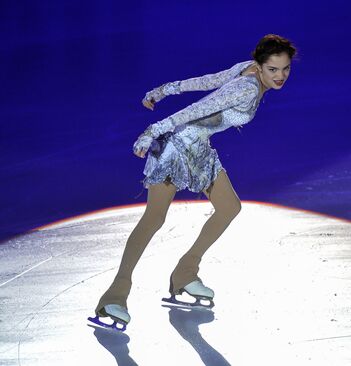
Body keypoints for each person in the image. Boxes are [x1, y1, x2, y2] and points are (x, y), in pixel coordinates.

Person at [89, 34, 298, 330]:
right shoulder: (247, 87)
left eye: (285, 69)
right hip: (176, 147)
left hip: (197, 147)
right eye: (273, 69)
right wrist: (153, 130)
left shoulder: (246, 68)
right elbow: (198, 108)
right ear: (260, 66)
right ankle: (115, 295)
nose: (280, 76)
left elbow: (207, 80)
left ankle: (186, 272)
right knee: (154, 218)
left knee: (229, 207)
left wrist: (165, 89)